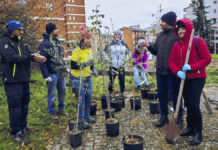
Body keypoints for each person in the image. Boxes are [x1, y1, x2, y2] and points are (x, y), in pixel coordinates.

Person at [0, 20, 46, 144]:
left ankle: (23, 126)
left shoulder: (23, 43)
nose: (22, 32)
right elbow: (11, 57)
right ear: (12, 30)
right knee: (15, 107)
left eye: (22, 29)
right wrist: (30, 57)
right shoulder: (5, 42)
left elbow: (30, 54)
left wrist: (37, 57)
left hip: (24, 79)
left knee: (25, 104)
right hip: (12, 80)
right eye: (19, 29)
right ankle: (16, 132)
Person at [169, 18, 211, 146]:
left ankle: (198, 133)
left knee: (193, 104)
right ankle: (190, 127)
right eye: (179, 29)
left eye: (183, 28)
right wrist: (177, 71)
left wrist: (191, 67)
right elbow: (171, 61)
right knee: (187, 103)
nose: (181, 31)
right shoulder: (176, 44)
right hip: (184, 78)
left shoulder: (197, 41)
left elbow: (207, 59)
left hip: (197, 77)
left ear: (188, 28)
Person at [143, 11, 184, 127]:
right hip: (160, 71)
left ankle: (179, 117)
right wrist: (149, 46)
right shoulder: (160, 35)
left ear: (169, 22)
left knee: (176, 96)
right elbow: (156, 51)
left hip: (173, 72)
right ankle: (164, 117)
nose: (161, 23)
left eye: (163, 21)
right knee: (161, 95)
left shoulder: (177, 36)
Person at [69, 26, 97, 129]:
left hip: (87, 77)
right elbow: (73, 65)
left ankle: (87, 115)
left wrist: (93, 68)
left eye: (90, 39)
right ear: (83, 40)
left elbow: (91, 61)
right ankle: (81, 119)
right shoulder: (77, 51)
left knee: (89, 97)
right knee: (81, 98)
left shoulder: (89, 50)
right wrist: (85, 64)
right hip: (76, 78)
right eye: (88, 39)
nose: (90, 41)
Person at [39, 23, 68, 119]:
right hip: (51, 73)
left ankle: (61, 108)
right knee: (52, 93)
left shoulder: (57, 42)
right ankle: (52, 111)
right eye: (56, 29)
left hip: (60, 72)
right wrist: (46, 75)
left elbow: (60, 57)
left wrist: (64, 67)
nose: (58, 30)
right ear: (51, 31)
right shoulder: (44, 44)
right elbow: (42, 61)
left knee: (62, 90)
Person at [103, 29, 131, 97]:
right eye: (116, 35)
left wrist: (125, 59)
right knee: (111, 80)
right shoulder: (110, 44)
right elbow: (104, 52)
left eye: (119, 35)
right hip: (113, 65)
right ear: (114, 36)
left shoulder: (124, 44)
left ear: (121, 36)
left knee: (122, 79)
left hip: (121, 65)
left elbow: (129, 53)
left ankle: (122, 92)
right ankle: (110, 92)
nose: (117, 36)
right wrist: (109, 60)